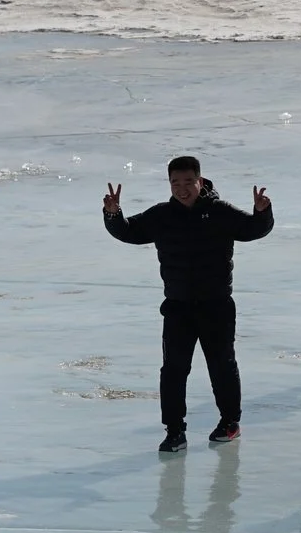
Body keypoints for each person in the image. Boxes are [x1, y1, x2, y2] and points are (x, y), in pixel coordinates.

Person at [104, 156, 273, 453]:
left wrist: (262, 212)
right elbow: (130, 232)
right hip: (178, 306)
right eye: (175, 183)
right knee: (173, 370)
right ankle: (174, 431)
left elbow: (252, 230)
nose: (182, 189)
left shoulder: (219, 212)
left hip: (216, 304)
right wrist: (113, 214)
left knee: (222, 365)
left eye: (188, 182)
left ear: (200, 180)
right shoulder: (161, 215)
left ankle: (229, 422)